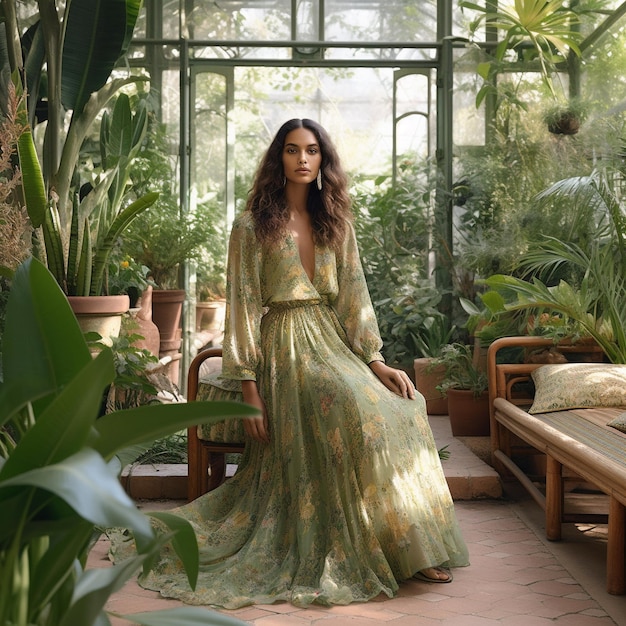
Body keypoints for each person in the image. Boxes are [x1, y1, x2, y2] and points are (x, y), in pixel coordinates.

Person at [119, 118, 469, 608]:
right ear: (277, 159)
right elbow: (240, 308)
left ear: (323, 160)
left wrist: (377, 361)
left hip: (332, 340)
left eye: (311, 150)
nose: (302, 159)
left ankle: (409, 547)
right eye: (291, 150)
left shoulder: (337, 223)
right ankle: (377, 545)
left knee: (403, 408)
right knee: (355, 409)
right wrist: (248, 390)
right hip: (284, 347)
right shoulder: (251, 226)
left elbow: (354, 297)